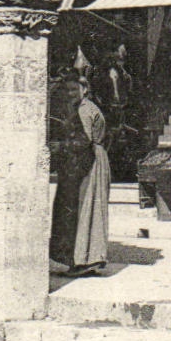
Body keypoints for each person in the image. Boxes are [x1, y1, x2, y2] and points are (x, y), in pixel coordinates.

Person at [50, 77, 110, 276]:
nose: (70, 94)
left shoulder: (84, 110)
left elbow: (82, 141)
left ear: (85, 90)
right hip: (96, 158)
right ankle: (89, 258)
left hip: (89, 161)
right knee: (92, 208)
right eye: (68, 91)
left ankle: (83, 260)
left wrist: (60, 147)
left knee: (85, 208)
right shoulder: (90, 107)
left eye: (74, 90)